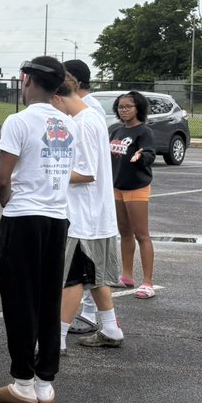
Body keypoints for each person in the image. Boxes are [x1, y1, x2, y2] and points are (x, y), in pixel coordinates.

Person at [0, 56, 75, 403]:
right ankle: (44, 383)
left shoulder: (17, 121)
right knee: (48, 298)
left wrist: (9, 206)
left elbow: (2, 180)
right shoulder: (69, 124)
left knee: (19, 300)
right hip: (57, 218)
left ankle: (22, 383)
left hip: (24, 217)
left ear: (27, 82)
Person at [51, 75, 125, 355]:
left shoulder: (80, 124)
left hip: (83, 216)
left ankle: (56, 340)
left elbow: (85, 173)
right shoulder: (93, 116)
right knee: (93, 276)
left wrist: (50, 171)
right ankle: (110, 328)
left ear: (58, 98)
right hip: (96, 215)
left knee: (72, 278)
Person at [110, 91, 156, 297]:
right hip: (117, 188)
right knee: (125, 233)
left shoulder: (143, 131)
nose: (124, 110)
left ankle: (148, 283)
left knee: (141, 235)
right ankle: (126, 276)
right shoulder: (116, 131)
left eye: (128, 106)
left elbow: (150, 153)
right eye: (121, 107)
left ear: (138, 108)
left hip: (137, 188)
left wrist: (142, 155)